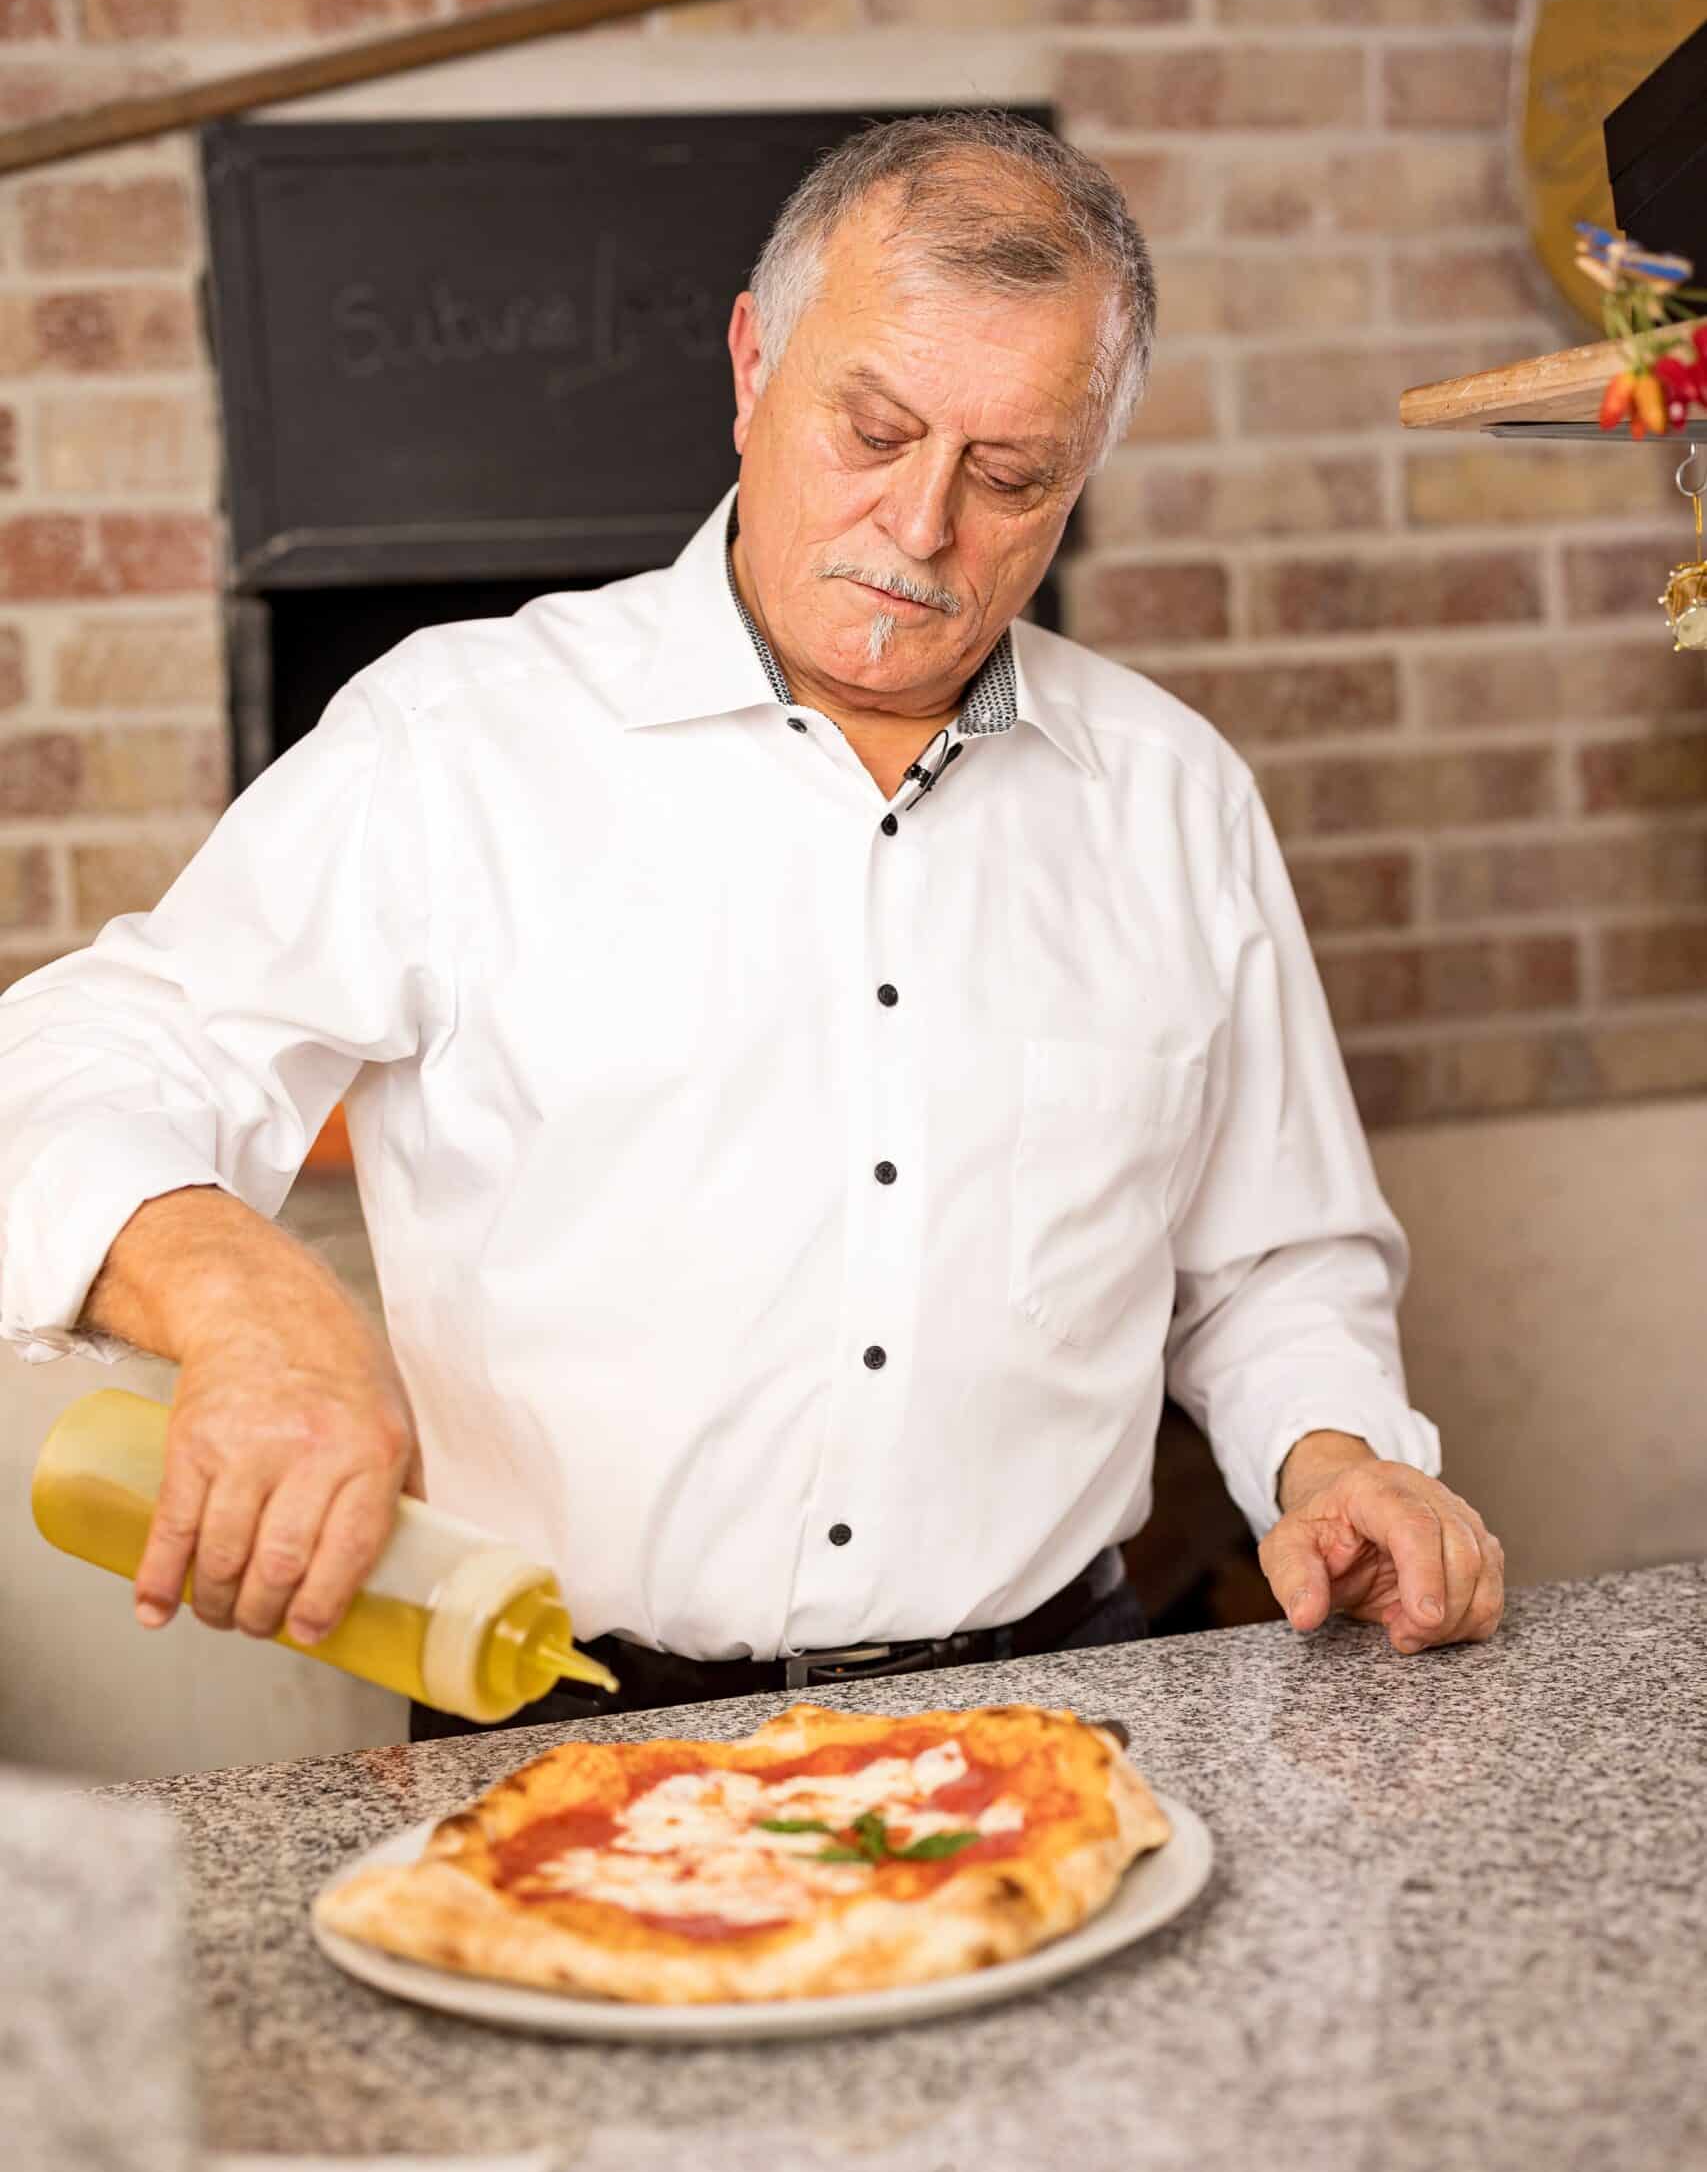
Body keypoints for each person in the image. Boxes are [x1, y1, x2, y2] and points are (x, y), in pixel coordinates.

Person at [0, 112, 1502, 1738]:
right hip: (565, 1719)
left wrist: (1339, 1448)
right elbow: (80, 1056)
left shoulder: (1172, 794)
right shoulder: (456, 736)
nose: (922, 528)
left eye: (1010, 476)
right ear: (752, 361)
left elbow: (1276, 1255)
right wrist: (241, 1299)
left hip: (1062, 1712)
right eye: (874, 429)